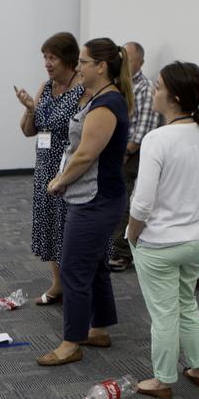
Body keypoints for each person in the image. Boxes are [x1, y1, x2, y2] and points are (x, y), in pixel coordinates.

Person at [126, 61, 199, 398]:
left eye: (158, 87)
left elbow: (142, 203)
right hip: (196, 240)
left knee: (164, 313)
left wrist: (132, 233)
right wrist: (192, 216)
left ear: (175, 96)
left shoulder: (158, 139)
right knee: (186, 302)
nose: (153, 92)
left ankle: (162, 380)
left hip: (159, 243)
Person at [36, 38, 133, 366]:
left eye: (84, 62)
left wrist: (59, 182)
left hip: (95, 200)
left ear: (101, 67)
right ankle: (98, 329)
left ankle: (70, 342)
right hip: (94, 196)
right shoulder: (101, 99)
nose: (79, 67)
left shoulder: (106, 105)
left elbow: (86, 154)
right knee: (94, 266)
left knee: (74, 268)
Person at [14, 33, 83, 305]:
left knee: (68, 231)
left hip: (69, 169)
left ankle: (75, 287)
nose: (47, 63)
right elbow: (28, 130)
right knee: (50, 228)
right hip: (44, 168)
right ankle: (57, 285)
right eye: (45, 57)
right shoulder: (45, 87)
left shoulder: (82, 90)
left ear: (68, 59)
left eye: (52, 57)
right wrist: (31, 108)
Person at [109, 41, 160, 271]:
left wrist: (126, 152)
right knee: (112, 200)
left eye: (129, 59)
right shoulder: (119, 85)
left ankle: (121, 254)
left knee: (123, 203)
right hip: (116, 151)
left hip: (131, 155)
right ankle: (111, 247)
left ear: (140, 62)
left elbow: (144, 129)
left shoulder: (144, 88)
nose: (125, 63)